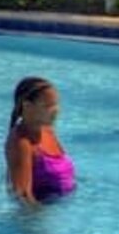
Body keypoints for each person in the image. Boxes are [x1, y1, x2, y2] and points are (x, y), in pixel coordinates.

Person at [4, 76, 75, 205]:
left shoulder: (47, 130)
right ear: (27, 106)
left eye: (56, 104)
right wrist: (39, 222)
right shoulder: (21, 143)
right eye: (48, 106)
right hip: (41, 216)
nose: (56, 111)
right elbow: (22, 195)